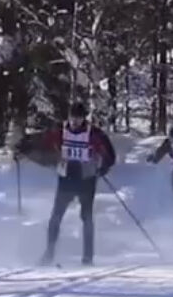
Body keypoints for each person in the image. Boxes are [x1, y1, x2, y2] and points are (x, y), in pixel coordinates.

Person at [15, 101, 116, 266]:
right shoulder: (60, 130)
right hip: (66, 179)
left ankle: (87, 257)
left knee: (87, 218)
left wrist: (103, 168)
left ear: (84, 118)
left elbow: (109, 154)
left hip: (86, 180)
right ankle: (49, 254)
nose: (75, 121)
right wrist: (23, 146)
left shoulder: (94, 133)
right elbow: (41, 139)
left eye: (79, 118)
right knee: (55, 217)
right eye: (72, 117)